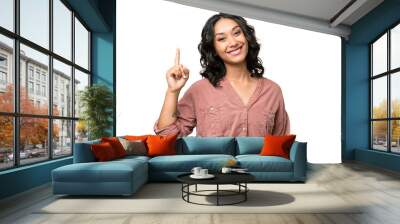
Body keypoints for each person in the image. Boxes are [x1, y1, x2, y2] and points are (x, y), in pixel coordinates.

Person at [154, 13, 290, 137]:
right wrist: (173, 91)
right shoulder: (200, 90)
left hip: (257, 165)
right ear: (213, 50)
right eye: (222, 39)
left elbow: (281, 148)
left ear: (247, 37)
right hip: (212, 165)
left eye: (237, 33)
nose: (233, 43)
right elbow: (166, 137)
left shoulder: (273, 91)